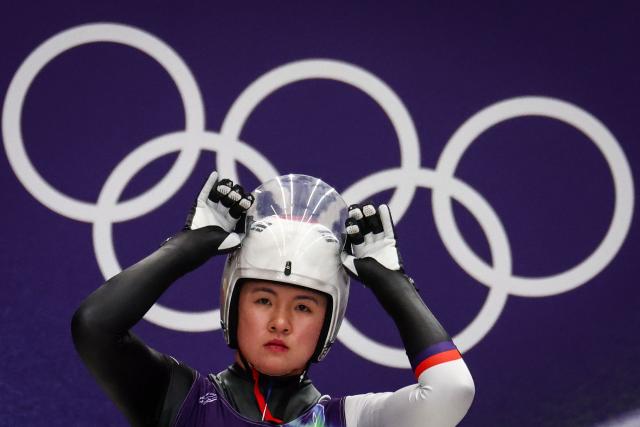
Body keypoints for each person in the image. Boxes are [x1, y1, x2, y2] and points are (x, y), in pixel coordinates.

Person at [72, 172, 475, 426]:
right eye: (263, 300)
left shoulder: (350, 421)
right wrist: (187, 246)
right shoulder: (180, 402)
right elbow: (95, 328)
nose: (280, 322)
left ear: (328, 323)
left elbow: (451, 392)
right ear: (232, 305)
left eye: (303, 307)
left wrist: (392, 282)